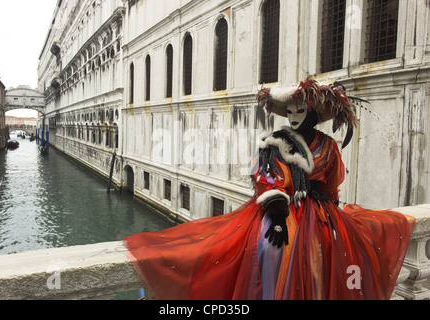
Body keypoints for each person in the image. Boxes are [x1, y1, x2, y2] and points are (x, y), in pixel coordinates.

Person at [124, 77, 415, 300]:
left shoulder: (328, 146)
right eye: (289, 111)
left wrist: (335, 218)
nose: (294, 116)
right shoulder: (273, 143)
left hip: (322, 217)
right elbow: (266, 180)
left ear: (313, 112)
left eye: (300, 110)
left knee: (326, 266)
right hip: (279, 213)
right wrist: (277, 218)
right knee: (269, 255)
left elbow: (332, 185)